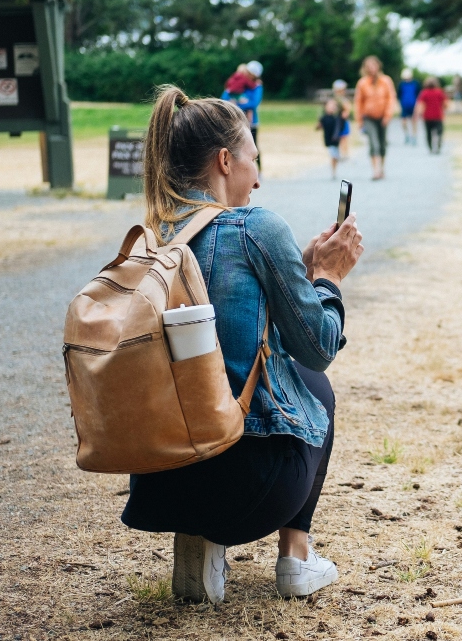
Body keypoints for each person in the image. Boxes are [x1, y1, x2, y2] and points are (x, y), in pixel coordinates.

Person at [122, 85, 365, 603]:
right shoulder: (256, 227)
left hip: (160, 482)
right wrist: (329, 279)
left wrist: (298, 268)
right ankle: (296, 555)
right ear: (227, 160)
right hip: (250, 486)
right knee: (315, 384)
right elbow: (318, 346)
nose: (259, 176)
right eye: (255, 159)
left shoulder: (156, 235)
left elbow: (231, 306)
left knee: (197, 389)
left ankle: (198, 544)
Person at [354, 56, 396, 180]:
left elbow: (391, 98)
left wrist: (388, 115)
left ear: (378, 66)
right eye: (368, 66)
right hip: (369, 117)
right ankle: (375, 170)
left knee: (382, 144)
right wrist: (359, 120)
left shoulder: (386, 81)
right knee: (373, 143)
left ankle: (382, 168)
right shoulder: (362, 83)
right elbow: (358, 102)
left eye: (373, 65)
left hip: (383, 116)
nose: (371, 68)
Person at [222, 60, 264, 168]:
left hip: (251, 122)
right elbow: (224, 99)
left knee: (254, 147)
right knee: (235, 147)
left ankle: (258, 170)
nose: (247, 75)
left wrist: (236, 105)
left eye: (250, 74)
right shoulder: (237, 83)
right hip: (235, 121)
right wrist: (240, 104)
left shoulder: (257, 87)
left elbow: (254, 103)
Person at [416, 76, 447, 155]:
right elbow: (445, 104)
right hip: (438, 116)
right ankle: (438, 145)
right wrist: (443, 110)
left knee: (428, 133)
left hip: (427, 117)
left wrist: (419, 114)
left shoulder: (424, 93)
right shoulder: (439, 92)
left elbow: (420, 105)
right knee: (439, 132)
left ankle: (430, 147)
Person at [317, 99, 345, 179]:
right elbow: (318, 126)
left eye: (334, 106)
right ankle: (333, 172)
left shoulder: (337, 118)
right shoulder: (324, 118)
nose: (332, 108)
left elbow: (341, 127)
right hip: (329, 140)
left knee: (336, 156)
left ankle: (334, 170)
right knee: (334, 156)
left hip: (336, 140)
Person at [397, 67, 420, 145]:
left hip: (414, 106)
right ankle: (407, 135)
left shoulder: (415, 84)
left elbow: (419, 95)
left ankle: (414, 137)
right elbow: (399, 96)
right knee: (403, 122)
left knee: (414, 122)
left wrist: (418, 106)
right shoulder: (401, 84)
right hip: (404, 106)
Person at [331, 79, 352, 161]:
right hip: (337, 121)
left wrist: (346, 112)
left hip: (343, 121)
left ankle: (345, 153)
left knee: (344, 137)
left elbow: (347, 108)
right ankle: (340, 153)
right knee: (339, 137)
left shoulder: (343, 99)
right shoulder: (336, 99)